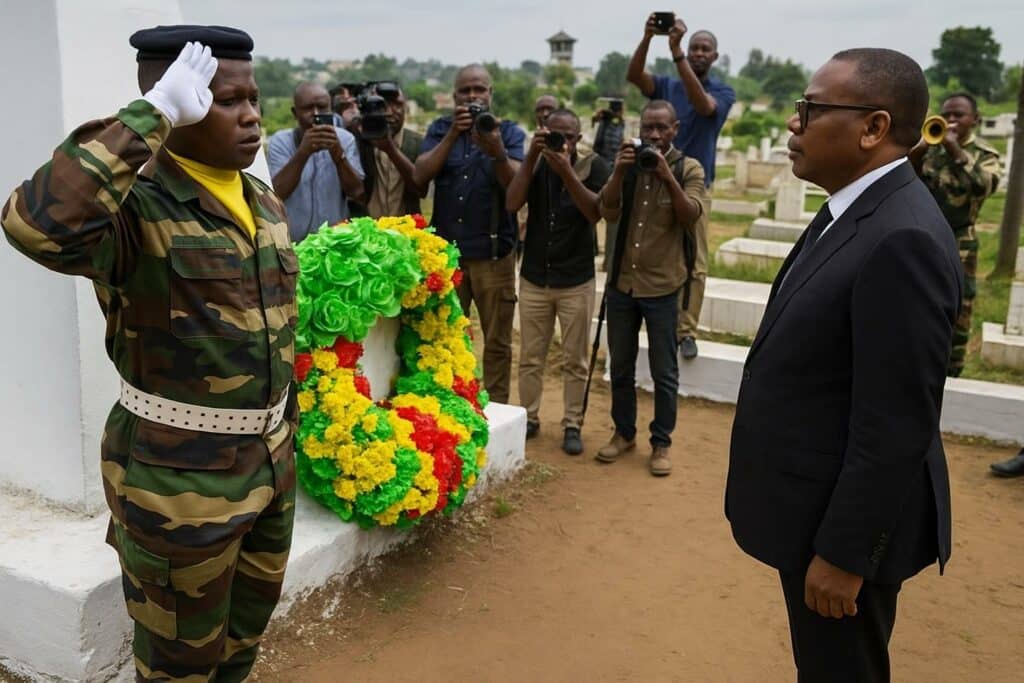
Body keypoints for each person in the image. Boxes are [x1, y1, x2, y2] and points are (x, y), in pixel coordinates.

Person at [2, 27, 298, 679]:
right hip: (179, 488)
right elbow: (34, 223)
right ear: (177, 99)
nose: (251, 114)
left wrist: (286, 441)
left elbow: (276, 336)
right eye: (224, 99)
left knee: (240, 646)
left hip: (270, 469)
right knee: (176, 666)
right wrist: (151, 116)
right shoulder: (136, 209)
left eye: (254, 97)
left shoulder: (263, 202)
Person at [726, 48, 962, 682]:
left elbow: (896, 421)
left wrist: (844, 554)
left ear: (873, 128)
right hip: (811, 504)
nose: (793, 124)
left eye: (810, 108)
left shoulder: (901, 237)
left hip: (839, 529)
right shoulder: (854, 210)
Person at [595, 100, 708, 477]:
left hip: (662, 288)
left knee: (664, 371)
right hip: (622, 285)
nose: (654, 136)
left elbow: (690, 215)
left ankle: (661, 442)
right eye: (648, 128)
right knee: (621, 367)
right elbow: (607, 211)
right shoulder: (627, 166)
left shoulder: (688, 167)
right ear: (639, 128)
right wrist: (617, 172)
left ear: (675, 129)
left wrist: (665, 175)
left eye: (662, 129)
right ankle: (624, 433)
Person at [415, 64, 525, 404]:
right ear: (454, 96)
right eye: (466, 91)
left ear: (490, 94)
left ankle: (497, 409)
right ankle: (452, 408)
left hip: (495, 257)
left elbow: (518, 187)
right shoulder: (440, 129)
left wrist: (497, 152)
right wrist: (452, 136)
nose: (473, 97)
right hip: (450, 260)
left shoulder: (507, 133)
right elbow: (420, 176)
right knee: (446, 340)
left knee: (497, 342)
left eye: (479, 90)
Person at [627, 14, 735, 360]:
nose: (699, 53)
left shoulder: (722, 91)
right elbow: (634, 76)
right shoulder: (667, 86)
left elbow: (703, 105)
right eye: (694, 48)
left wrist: (678, 56)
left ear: (715, 56)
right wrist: (647, 38)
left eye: (705, 49)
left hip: (695, 184)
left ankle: (687, 330)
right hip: (655, 179)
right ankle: (659, 319)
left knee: (695, 260)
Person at [506, 108, 611, 454]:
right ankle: (530, 418)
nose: (560, 141)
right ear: (542, 131)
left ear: (578, 139)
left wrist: (565, 170)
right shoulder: (535, 163)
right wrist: (533, 157)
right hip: (536, 275)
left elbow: (594, 212)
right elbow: (512, 202)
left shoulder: (594, 166)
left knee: (575, 359)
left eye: (567, 136)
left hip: (575, 278)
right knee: (531, 356)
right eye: (554, 134)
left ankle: (572, 423)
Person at [910, 92, 1002, 377]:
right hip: (922, 237)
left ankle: (952, 371)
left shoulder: (985, 156)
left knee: (958, 309)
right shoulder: (929, 148)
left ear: (974, 120)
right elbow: (908, 183)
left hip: (960, 241)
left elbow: (985, 186)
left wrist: (956, 151)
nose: (951, 120)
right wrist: (917, 152)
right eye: (947, 114)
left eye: (958, 115)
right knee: (915, 298)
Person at [267, 81, 364, 242]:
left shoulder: (345, 139)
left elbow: (357, 193)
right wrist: (303, 153)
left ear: (331, 109)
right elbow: (276, 194)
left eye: (322, 107)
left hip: (334, 244)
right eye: (308, 108)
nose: (316, 114)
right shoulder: (281, 141)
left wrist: (338, 155)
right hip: (292, 245)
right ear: (294, 112)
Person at [349, 83, 426, 219]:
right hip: (366, 231)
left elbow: (421, 190)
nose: (390, 112)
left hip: (406, 232)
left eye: (397, 105)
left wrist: (390, 148)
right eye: (382, 105)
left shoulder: (418, 142)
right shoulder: (356, 139)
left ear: (405, 108)